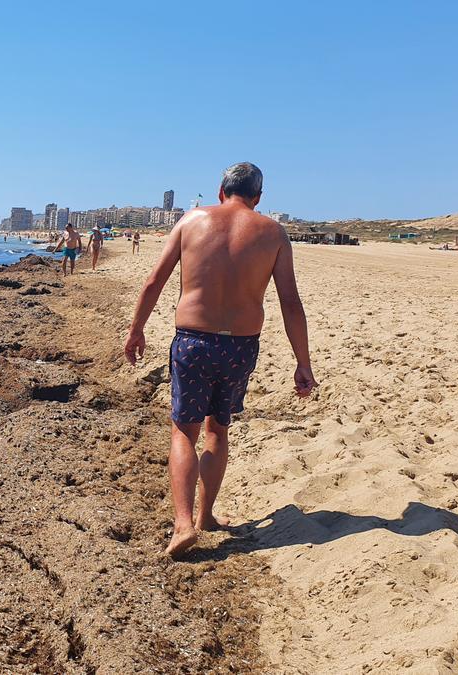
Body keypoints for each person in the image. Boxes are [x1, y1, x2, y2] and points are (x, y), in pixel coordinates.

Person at [123, 162, 317, 559]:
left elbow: (153, 282)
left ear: (220, 190)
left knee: (183, 433)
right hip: (241, 347)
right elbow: (290, 302)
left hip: (193, 341)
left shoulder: (192, 220)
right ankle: (206, 515)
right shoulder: (273, 232)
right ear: (259, 197)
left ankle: (183, 524)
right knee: (218, 431)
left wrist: (136, 329)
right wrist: (303, 363)